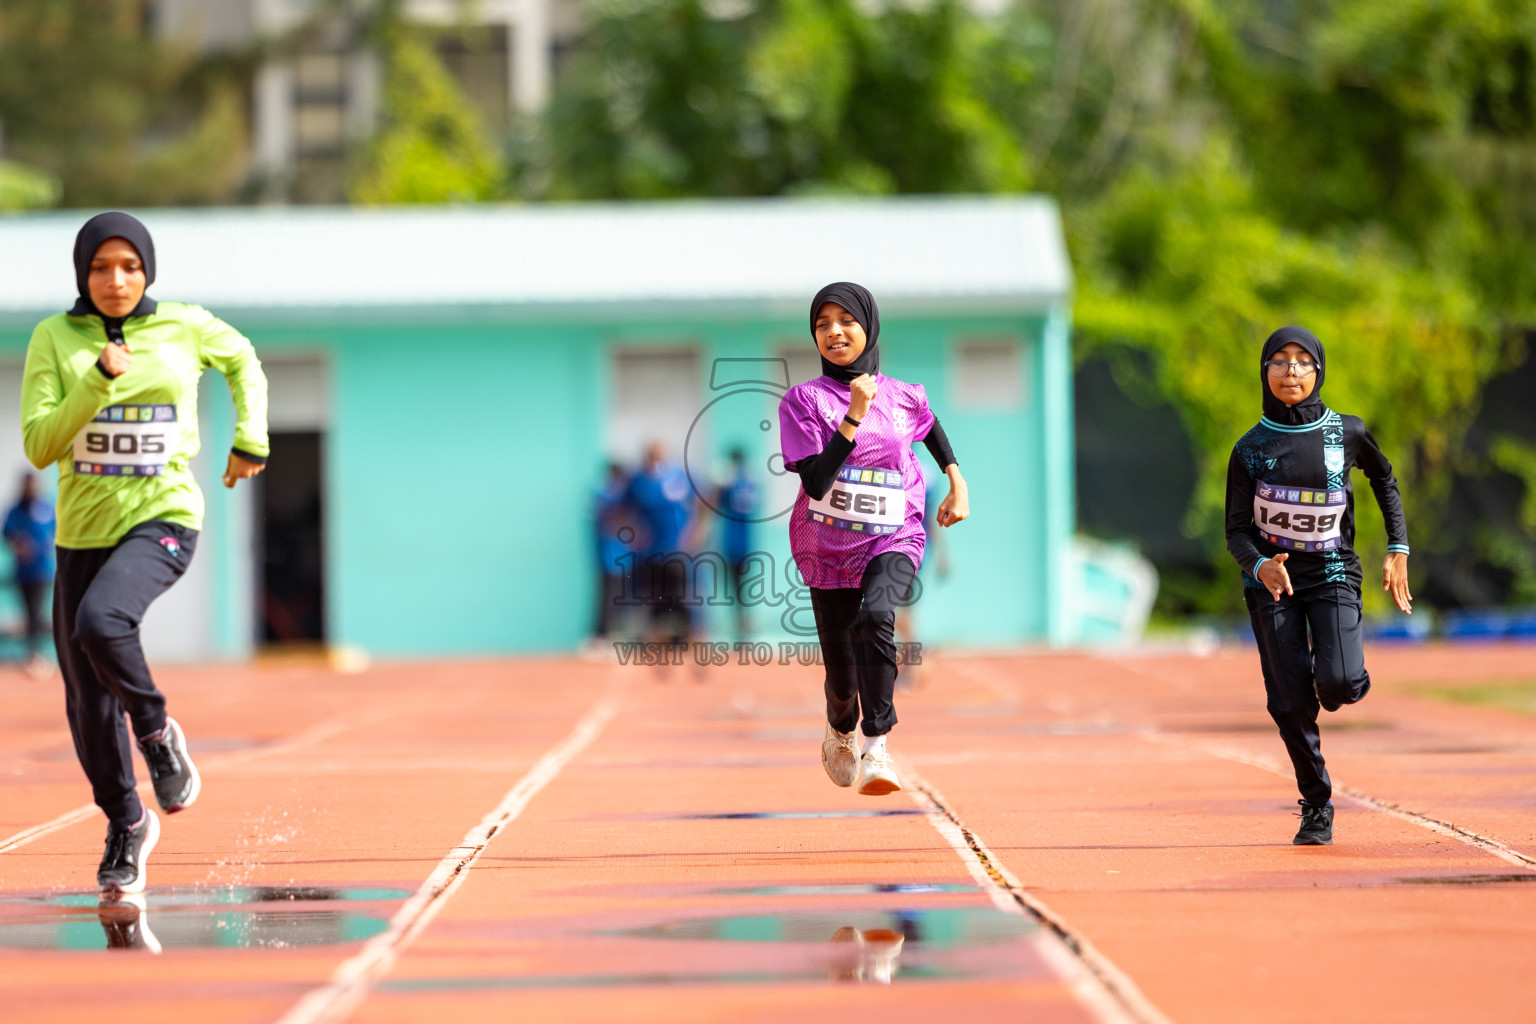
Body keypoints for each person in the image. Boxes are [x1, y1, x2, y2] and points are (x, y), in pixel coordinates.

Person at [21, 212, 269, 896]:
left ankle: (157, 736)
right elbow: (40, 443)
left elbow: (243, 360)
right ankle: (127, 822)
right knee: (85, 704)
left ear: (148, 270)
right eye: (101, 267)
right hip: (80, 537)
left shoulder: (184, 325)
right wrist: (97, 379)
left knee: (100, 622)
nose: (115, 279)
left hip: (162, 518)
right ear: (82, 273)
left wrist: (251, 438)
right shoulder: (53, 337)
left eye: (129, 266)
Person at [778, 282, 969, 796]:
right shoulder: (803, 402)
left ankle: (877, 744)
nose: (834, 332)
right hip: (826, 547)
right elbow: (815, 482)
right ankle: (839, 726)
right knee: (841, 673)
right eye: (823, 324)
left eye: (846, 321)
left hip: (894, 534)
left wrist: (956, 480)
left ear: (869, 326)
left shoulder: (905, 394)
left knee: (878, 616)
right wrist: (852, 417)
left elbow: (930, 428)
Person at [1225, 325, 1411, 846]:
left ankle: (1345, 674)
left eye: (1302, 361)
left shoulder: (1344, 432)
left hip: (1331, 572)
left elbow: (1384, 477)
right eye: (1280, 361)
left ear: (1318, 371)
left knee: (1337, 686)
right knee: (1288, 700)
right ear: (1265, 372)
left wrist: (1398, 548)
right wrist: (1260, 565)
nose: (1291, 371)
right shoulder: (1250, 448)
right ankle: (1317, 804)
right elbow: (1236, 530)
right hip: (1272, 583)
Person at [624, 441, 699, 658]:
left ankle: (686, 640)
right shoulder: (638, 480)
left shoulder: (679, 476)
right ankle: (656, 642)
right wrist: (634, 532)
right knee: (653, 597)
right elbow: (621, 509)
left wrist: (693, 532)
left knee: (681, 596)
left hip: (676, 548)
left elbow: (701, 503)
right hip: (650, 551)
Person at [3, 472, 56, 673]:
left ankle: (39, 655)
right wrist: (18, 544)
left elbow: (56, 532)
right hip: (23, 572)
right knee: (29, 614)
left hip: (42, 571)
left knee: (38, 613)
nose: (30, 488)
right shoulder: (15, 510)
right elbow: (7, 534)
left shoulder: (47, 508)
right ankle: (33, 655)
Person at [716, 447, 759, 639]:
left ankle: (741, 620)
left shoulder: (729, 483)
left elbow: (717, 503)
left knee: (735, 584)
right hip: (747, 541)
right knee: (743, 583)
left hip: (732, 539)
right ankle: (743, 619)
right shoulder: (751, 483)